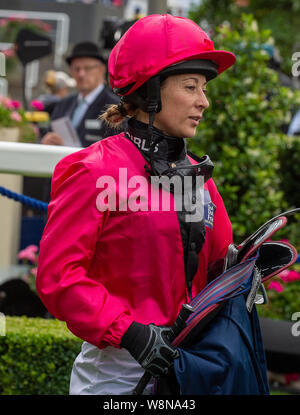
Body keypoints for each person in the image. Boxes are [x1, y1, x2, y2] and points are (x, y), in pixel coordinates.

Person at [36, 14, 268, 395]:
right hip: (116, 377)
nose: (203, 101)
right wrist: (130, 333)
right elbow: (59, 277)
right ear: (151, 91)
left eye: (204, 88)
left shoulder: (198, 177)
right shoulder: (91, 171)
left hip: (190, 369)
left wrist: (245, 268)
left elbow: (215, 269)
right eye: (191, 86)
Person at [41, 41, 120, 148]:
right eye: (76, 69)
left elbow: (115, 149)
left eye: (87, 68)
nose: (81, 74)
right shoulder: (63, 104)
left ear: (102, 70)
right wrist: (45, 141)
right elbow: (48, 133)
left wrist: (69, 148)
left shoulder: (114, 106)